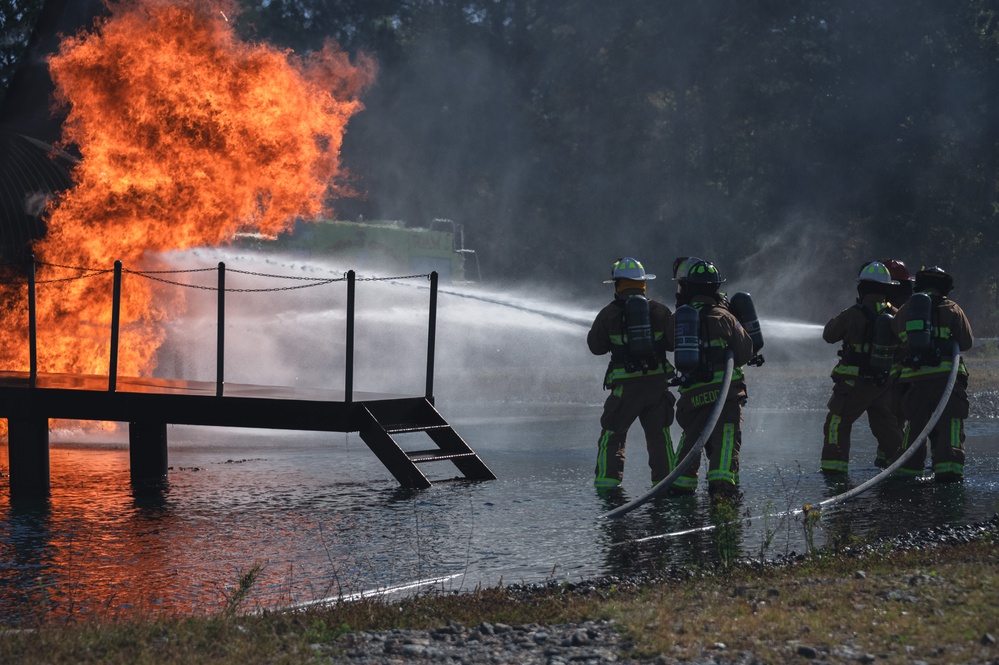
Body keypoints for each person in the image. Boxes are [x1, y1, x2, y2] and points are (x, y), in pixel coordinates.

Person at [665, 260, 753, 499]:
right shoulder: (725, 317)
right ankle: (722, 489)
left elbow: (668, 342)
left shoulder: (677, 319)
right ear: (715, 288)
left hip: (692, 397)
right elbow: (745, 352)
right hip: (724, 397)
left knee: (691, 438)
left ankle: (680, 486)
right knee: (725, 438)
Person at [587, 257, 676, 489]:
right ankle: (665, 486)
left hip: (625, 388)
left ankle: (608, 488)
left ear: (618, 285)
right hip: (657, 386)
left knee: (613, 435)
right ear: (643, 284)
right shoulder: (661, 311)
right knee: (660, 438)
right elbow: (673, 343)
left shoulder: (609, 314)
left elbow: (595, 347)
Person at [890, 266, 974, 482]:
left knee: (915, 426)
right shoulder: (952, 308)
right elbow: (966, 342)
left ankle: (909, 471)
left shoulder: (907, 309)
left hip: (914, 381)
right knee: (950, 424)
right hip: (946, 380)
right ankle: (949, 473)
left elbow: (898, 334)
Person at [819, 261, 903, 474]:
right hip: (882, 384)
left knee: (837, 423)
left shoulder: (854, 313)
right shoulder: (895, 314)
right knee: (886, 425)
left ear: (862, 288)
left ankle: (834, 474)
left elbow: (829, 335)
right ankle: (905, 467)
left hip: (853, 384)